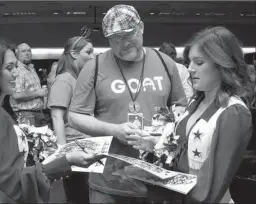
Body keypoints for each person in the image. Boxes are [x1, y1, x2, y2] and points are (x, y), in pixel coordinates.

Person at [68, 4, 187, 203]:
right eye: (115, 38)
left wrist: (165, 134)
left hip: (156, 179)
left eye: (128, 34)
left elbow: (180, 108)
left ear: (141, 28)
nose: (123, 43)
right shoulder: (93, 67)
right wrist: (115, 130)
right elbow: (74, 116)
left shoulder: (166, 64)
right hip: (108, 180)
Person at [0, 38, 104, 203]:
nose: (16, 73)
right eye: (9, 68)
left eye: (15, 66)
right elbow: (16, 184)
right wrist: (66, 161)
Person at [126, 26, 254, 203]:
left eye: (199, 63)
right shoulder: (195, 102)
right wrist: (154, 144)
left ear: (222, 64)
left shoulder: (234, 112)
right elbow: (183, 147)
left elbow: (213, 185)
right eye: (190, 61)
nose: (190, 68)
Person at [47, 36, 94, 204]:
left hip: (85, 146)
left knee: (84, 196)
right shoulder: (64, 79)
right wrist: (63, 151)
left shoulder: (77, 79)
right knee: (78, 197)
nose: (92, 56)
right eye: (88, 52)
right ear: (74, 54)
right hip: (74, 148)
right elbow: (56, 115)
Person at [10, 43, 48, 126]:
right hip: (26, 115)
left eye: (29, 51)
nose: (27, 53)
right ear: (17, 55)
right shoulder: (18, 70)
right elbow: (16, 95)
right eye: (23, 51)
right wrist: (38, 93)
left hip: (37, 113)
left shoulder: (31, 70)